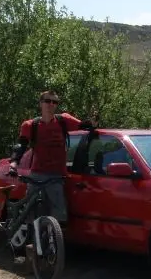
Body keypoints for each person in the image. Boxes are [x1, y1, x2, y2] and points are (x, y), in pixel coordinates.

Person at [8, 90, 97, 227]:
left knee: (59, 217)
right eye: (47, 101)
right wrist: (14, 163)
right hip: (37, 175)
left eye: (55, 102)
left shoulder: (64, 121)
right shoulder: (31, 125)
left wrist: (92, 121)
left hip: (56, 176)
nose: (51, 104)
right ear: (40, 103)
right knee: (32, 216)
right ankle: (25, 242)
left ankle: (51, 244)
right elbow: (21, 145)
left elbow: (84, 126)